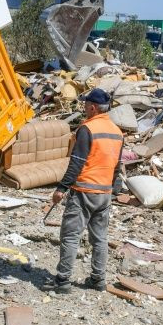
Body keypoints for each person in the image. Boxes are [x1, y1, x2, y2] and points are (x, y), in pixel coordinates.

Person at [44, 87, 125, 294]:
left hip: (83, 192)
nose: (84, 108)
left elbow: (77, 162)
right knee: (100, 238)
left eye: (86, 105)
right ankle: (98, 280)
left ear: (93, 107)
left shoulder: (87, 129)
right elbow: (117, 166)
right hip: (104, 194)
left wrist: (62, 188)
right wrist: (112, 190)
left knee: (70, 236)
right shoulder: (117, 132)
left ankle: (62, 281)